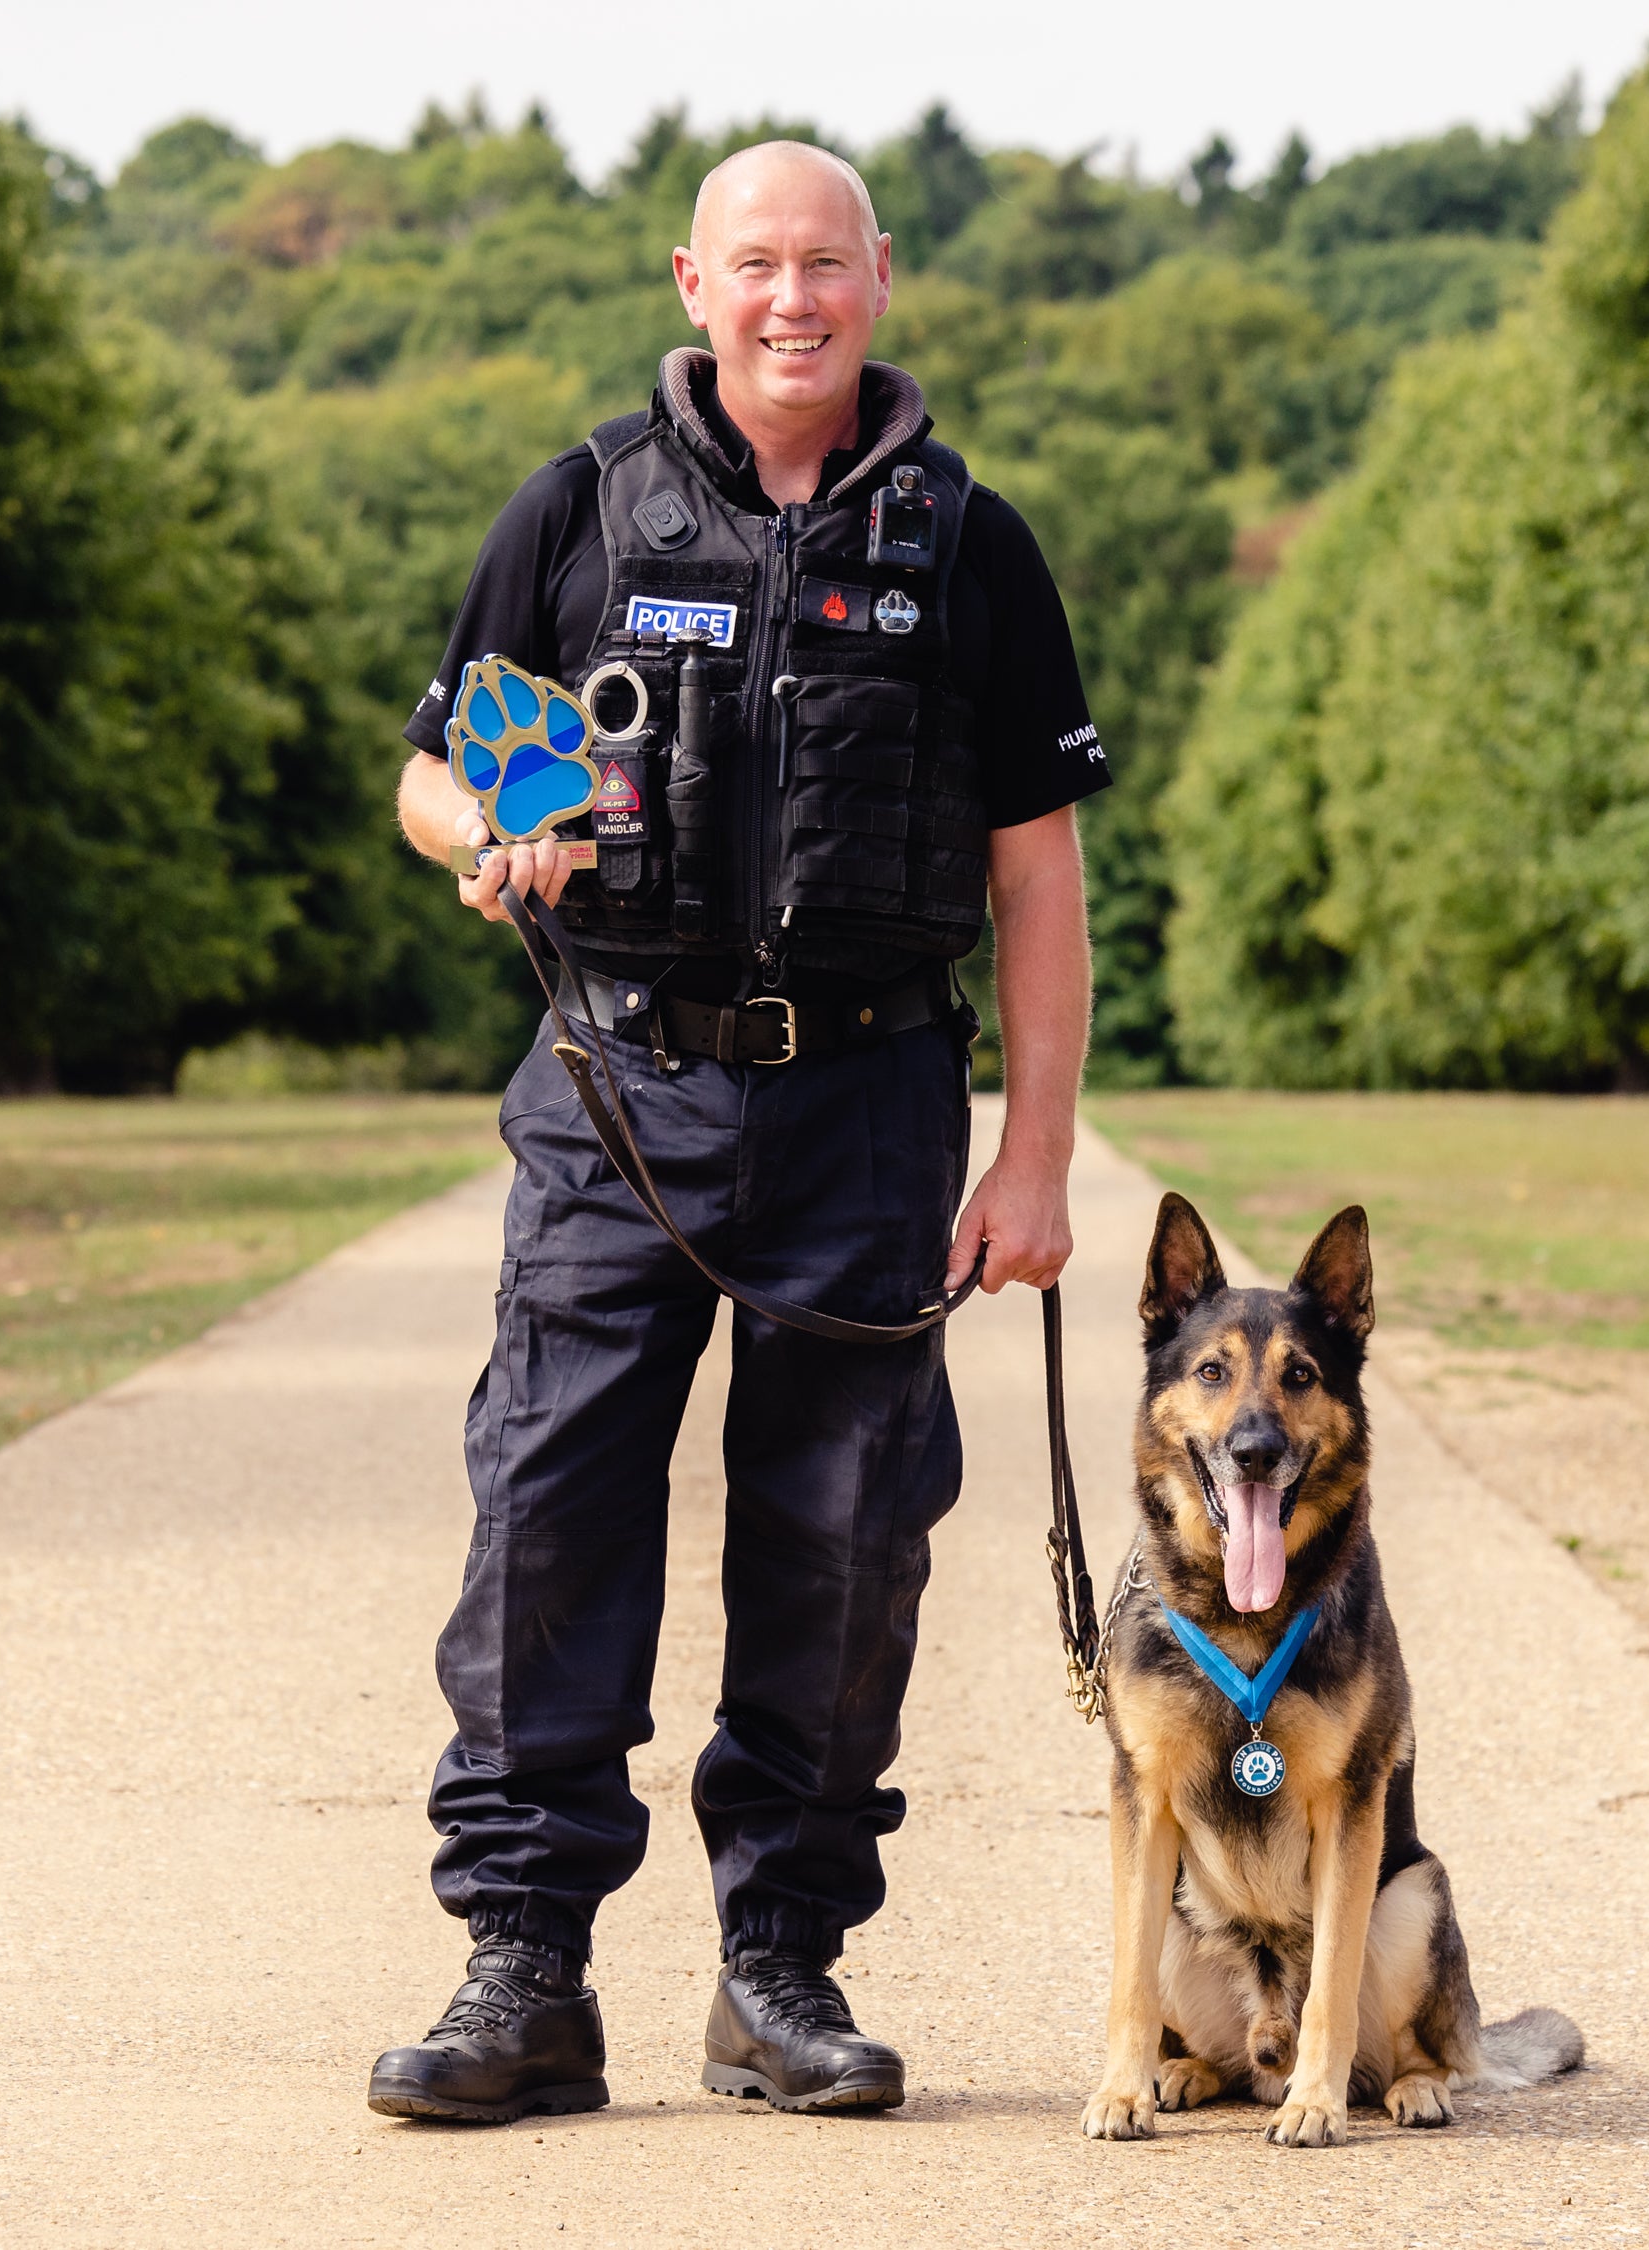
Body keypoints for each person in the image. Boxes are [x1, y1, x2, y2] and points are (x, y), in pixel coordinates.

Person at [364, 140, 1103, 2125]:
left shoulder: (963, 545)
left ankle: (777, 1971)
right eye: (753, 264)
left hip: (866, 1104)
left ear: (883, 278)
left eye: (826, 265)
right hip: (614, 1090)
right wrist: (490, 834)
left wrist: (1031, 1160)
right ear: (690, 281)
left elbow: (1035, 879)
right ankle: (523, 1971)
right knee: (549, 1517)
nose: (792, 299)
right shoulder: (583, 516)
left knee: (841, 1545)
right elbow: (443, 779)